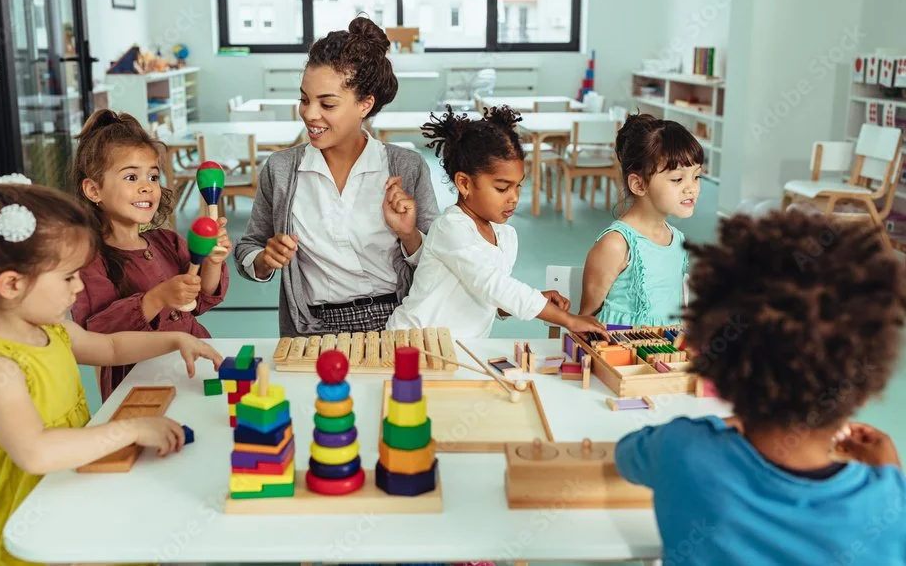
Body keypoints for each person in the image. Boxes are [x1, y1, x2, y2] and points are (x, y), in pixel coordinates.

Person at [0, 169, 221, 566]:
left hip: (71, 500)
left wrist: (174, 339)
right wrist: (131, 429)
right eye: (68, 277)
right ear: (12, 285)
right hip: (25, 542)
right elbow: (35, 452)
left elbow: (111, 345)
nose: (78, 288)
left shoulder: (52, 330)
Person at [615, 210, 906, 565]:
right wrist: (891, 475)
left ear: (720, 374)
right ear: (864, 390)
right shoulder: (891, 507)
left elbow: (626, 455)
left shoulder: (682, 449)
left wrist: (720, 428)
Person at [235, 17, 439, 336]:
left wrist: (409, 234)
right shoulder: (281, 169)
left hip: (399, 321)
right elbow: (249, 247)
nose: (309, 113)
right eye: (304, 99)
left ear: (365, 105)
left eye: (327, 103)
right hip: (310, 327)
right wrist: (264, 259)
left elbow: (438, 264)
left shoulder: (406, 167)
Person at [386, 106, 608, 341]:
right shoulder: (451, 227)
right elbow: (494, 285)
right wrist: (568, 319)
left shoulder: (506, 236)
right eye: (502, 188)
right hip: (412, 343)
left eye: (518, 185)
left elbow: (492, 298)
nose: (513, 197)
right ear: (464, 183)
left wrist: (539, 300)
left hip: (460, 350)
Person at [70, 109, 230, 400]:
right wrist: (156, 298)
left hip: (191, 365)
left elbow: (199, 301)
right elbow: (95, 333)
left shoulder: (167, 241)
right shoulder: (89, 260)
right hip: (137, 383)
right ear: (94, 190)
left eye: (153, 176)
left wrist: (212, 262)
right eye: (131, 176)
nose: (147, 186)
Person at [581, 114, 702, 326]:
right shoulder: (616, 245)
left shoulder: (678, 240)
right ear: (638, 185)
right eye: (677, 179)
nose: (691, 188)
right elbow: (584, 323)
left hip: (665, 355)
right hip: (619, 355)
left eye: (697, 176)